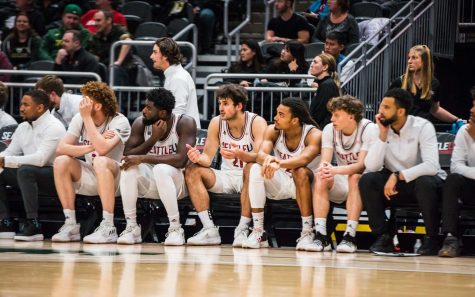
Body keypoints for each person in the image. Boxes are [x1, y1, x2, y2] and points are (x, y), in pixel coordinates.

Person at [359, 88, 446, 255]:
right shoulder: (379, 128)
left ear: (400, 111)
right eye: (381, 106)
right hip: (395, 186)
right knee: (367, 180)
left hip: (423, 182)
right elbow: (371, 166)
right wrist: (383, 136)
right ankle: (383, 237)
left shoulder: (423, 126)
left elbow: (431, 166)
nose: (380, 111)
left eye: (386, 107)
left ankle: (432, 238)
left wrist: (398, 175)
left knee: (425, 182)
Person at [185, 84, 267, 246]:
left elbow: (259, 157)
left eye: (225, 104)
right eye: (220, 103)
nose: (221, 108)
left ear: (239, 106)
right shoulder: (217, 123)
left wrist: (240, 155)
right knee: (192, 170)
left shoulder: (257, 122)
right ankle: (209, 230)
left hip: (249, 177)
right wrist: (197, 158)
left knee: (251, 169)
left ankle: (242, 228)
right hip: (227, 176)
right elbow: (207, 158)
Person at [51, 81, 131, 243]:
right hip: (94, 174)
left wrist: (87, 118)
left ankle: (108, 226)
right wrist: (92, 145)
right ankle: (71, 224)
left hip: (118, 178)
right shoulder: (79, 118)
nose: (82, 104)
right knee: (61, 161)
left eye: (87, 100)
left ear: (98, 106)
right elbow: (61, 148)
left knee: (101, 161)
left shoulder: (119, 121)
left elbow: (102, 151)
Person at [118, 88, 197, 245]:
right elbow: (128, 154)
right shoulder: (141, 123)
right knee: (127, 167)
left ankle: (175, 228)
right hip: (153, 182)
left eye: (148, 108)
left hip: (178, 183)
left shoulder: (184, 123)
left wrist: (144, 158)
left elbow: (181, 160)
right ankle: (131, 227)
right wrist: (153, 139)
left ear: (162, 113)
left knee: (161, 169)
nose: (143, 111)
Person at [241, 98, 321, 250]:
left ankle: (307, 231)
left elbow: (304, 159)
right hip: (283, 181)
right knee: (255, 168)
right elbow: (261, 154)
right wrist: (268, 159)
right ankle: (259, 231)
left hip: (308, 186)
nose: (275, 118)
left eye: (281, 115)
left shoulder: (314, 134)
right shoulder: (273, 130)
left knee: (300, 171)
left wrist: (278, 163)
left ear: (295, 120)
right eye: (277, 113)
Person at [308, 95, 376, 253]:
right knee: (321, 176)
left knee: (355, 177)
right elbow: (325, 161)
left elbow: (360, 166)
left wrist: (334, 170)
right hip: (342, 179)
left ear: (351, 116)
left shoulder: (368, 128)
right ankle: (321, 236)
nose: (332, 119)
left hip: (367, 184)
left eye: (336, 115)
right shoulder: (329, 129)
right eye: (332, 114)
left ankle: (349, 237)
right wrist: (325, 169)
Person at [0, 90, 66, 241]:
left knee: (25, 170)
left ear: (40, 108)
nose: (21, 108)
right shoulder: (23, 127)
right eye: (21, 104)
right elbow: (10, 151)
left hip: (56, 178)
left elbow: (41, 159)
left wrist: (6, 161)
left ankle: (34, 224)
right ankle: (5, 222)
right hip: (30, 175)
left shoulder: (54, 126)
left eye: (26, 105)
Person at [438, 87, 475, 258]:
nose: (472, 110)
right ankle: (451, 238)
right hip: (471, 187)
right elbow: (456, 166)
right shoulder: (464, 131)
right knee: (452, 180)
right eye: (472, 105)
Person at [389, 45, 461, 124]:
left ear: (424, 61)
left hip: (424, 129)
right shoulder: (399, 82)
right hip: (404, 130)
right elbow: (387, 108)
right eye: (409, 58)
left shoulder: (434, 83)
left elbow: (435, 109)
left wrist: (457, 120)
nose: (409, 61)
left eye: (414, 58)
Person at [150, 37, 201, 129]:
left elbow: (177, 114)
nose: (151, 56)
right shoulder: (174, 75)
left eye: (155, 52)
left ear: (165, 55)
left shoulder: (178, 78)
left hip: (184, 136)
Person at [88, 9, 133, 86]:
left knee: (114, 70)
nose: (95, 23)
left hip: (123, 69)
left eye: (98, 20)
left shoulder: (118, 30)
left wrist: (118, 62)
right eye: (95, 21)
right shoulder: (96, 36)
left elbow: (128, 41)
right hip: (104, 70)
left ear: (108, 20)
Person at [309, 53, 341, 128]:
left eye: (315, 62)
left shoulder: (326, 85)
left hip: (323, 129)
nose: (311, 65)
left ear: (325, 67)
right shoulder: (325, 84)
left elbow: (320, 114)